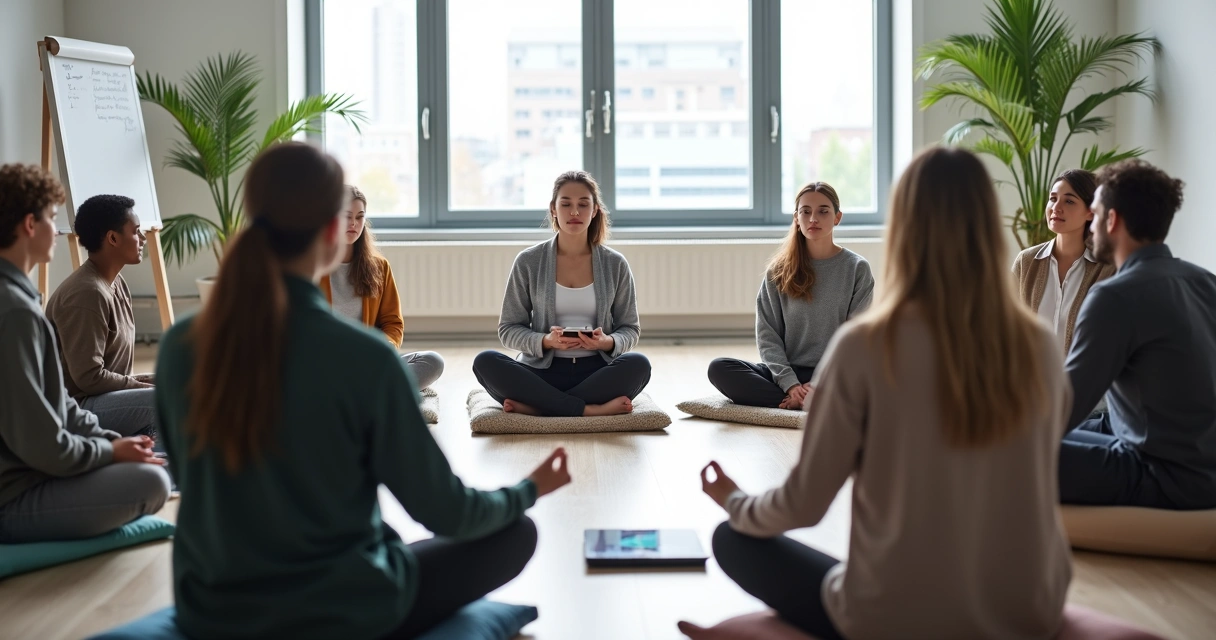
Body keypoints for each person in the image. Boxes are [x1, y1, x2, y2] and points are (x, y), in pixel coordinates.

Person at [155, 142, 571, 638]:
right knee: (515, 532)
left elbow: (186, 476)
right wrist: (528, 489)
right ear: (334, 231)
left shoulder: (179, 345)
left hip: (210, 610)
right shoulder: (366, 359)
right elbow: (447, 512)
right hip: (341, 610)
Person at [697, 147, 1071, 639]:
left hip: (891, 615)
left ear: (903, 227)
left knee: (733, 538)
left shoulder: (867, 345)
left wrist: (734, 500)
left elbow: (804, 505)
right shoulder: (1040, 345)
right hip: (1031, 609)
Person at [0, 164, 168, 543]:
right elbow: (44, 443)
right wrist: (108, 453)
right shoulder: (15, 313)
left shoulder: (19, 302)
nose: (60, 231)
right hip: (14, 494)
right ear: (30, 225)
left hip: (36, 468)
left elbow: (57, 404)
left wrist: (109, 443)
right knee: (152, 482)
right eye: (52, 218)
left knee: (144, 465)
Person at [1060, 159, 1216, 509]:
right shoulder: (1207, 282)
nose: (1091, 226)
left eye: (1096, 214)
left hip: (1164, 475)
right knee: (1085, 429)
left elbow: (1063, 408)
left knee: (1006, 451)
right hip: (1204, 467)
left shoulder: (1114, 296)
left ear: (1112, 220)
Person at [472, 170, 651, 417]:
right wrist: (546, 341)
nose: (574, 212)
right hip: (541, 373)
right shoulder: (528, 261)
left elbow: (630, 328)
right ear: (553, 209)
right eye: (566, 204)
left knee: (639, 365)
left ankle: (540, 406)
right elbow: (508, 329)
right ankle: (587, 410)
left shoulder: (615, 264)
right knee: (485, 362)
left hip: (596, 372)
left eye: (583, 204)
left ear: (595, 210)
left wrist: (607, 342)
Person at [707, 182, 873, 409]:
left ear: (837, 217)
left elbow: (855, 339)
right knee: (720, 368)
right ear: (796, 218)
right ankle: (805, 400)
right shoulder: (778, 271)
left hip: (836, 373)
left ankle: (807, 400)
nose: (813, 219)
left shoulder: (857, 268)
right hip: (788, 371)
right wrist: (791, 384)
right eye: (806, 212)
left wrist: (819, 383)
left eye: (823, 211)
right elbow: (767, 336)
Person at [45, 194, 156, 438]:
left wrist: (145, 380)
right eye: (136, 231)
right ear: (113, 238)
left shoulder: (116, 282)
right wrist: (139, 385)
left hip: (101, 398)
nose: (142, 238)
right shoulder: (87, 292)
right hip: (76, 410)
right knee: (165, 399)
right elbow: (89, 378)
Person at [319, 185, 445, 389]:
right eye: (347, 216)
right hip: (326, 363)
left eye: (360, 217)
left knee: (432, 361)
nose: (354, 223)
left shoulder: (379, 267)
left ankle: (359, 393)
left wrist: (382, 348)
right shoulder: (311, 266)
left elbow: (392, 323)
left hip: (368, 361)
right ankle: (375, 393)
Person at [1012, 169, 1116, 352]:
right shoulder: (1026, 262)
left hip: (1084, 371)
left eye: (1069, 201)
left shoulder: (1108, 269)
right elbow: (1007, 324)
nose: (1056, 207)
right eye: (1053, 198)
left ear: (1091, 212)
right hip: (1029, 370)